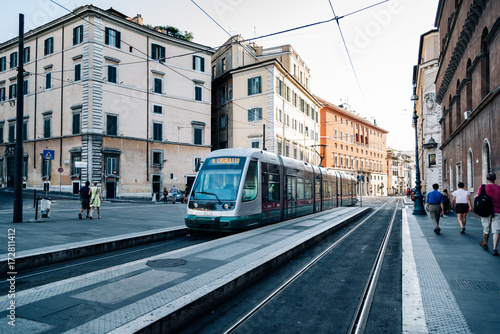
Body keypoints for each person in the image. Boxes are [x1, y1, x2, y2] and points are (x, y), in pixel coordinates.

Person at [476, 173, 500, 256]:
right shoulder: (499, 188)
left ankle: (485, 243)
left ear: (487, 178)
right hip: (497, 211)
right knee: (496, 231)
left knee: (486, 229)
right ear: (495, 178)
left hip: (486, 211)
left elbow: (477, 197)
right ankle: (495, 248)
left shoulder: (482, 187)